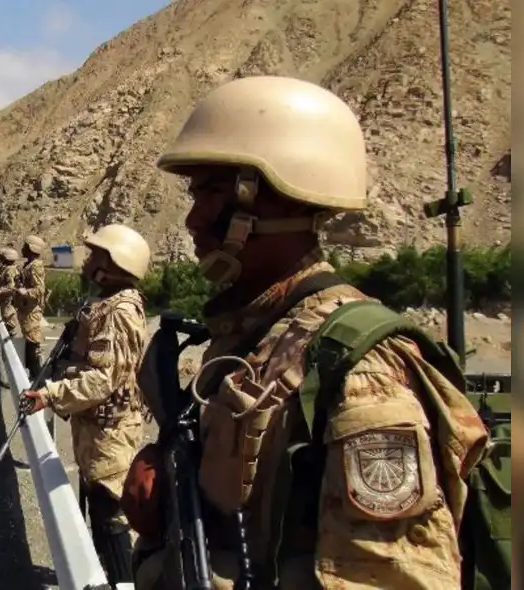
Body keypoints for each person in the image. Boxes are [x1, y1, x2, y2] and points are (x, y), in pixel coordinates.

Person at [122, 75, 489, 589]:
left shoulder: (362, 368)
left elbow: (389, 577)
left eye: (210, 193)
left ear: (275, 199)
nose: (192, 219)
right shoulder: (254, 331)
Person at [20, 224, 152, 584]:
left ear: (115, 263)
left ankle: (122, 581)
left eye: (96, 255)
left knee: (110, 515)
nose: (87, 261)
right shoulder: (103, 303)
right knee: (98, 508)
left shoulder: (120, 311)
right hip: (95, 428)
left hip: (110, 431)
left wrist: (49, 396)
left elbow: (103, 380)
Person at [15, 235, 49, 377]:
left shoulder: (35, 266)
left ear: (30, 248)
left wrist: (25, 291)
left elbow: (39, 289)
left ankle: (37, 380)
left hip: (31, 312)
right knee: (28, 346)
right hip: (25, 311)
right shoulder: (28, 265)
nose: (22, 249)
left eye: (25, 246)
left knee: (33, 346)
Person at [0, 248, 22, 339]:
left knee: (8, 317)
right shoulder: (7, 269)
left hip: (8, 299)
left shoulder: (10, 270)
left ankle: (10, 335)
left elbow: (11, 286)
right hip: (6, 299)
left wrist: (0, 291)